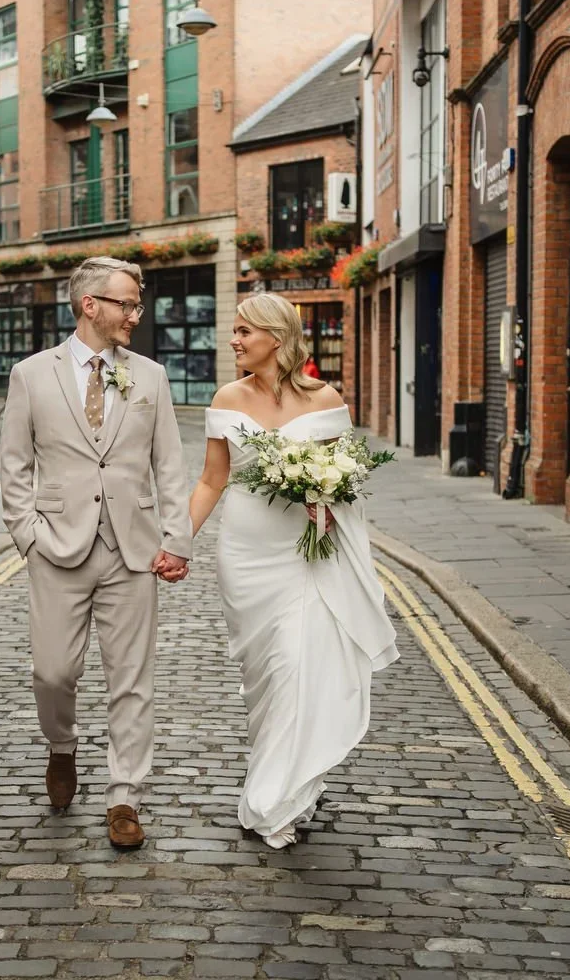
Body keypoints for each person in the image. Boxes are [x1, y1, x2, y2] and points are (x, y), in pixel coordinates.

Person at [186, 292, 398, 848]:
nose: (233, 340)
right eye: (233, 331)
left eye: (243, 332)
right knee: (266, 676)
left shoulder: (325, 399)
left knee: (298, 667)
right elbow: (212, 479)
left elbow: (345, 476)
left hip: (307, 555)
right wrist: (176, 539)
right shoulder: (227, 397)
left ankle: (275, 797)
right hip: (246, 553)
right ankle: (278, 770)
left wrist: (323, 497)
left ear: (275, 339)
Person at [0, 256, 192, 850]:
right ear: (91, 305)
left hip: (132, 550)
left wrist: (176, 539)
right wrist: (27, 535)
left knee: (132, 679)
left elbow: (169, 466)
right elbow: (15, 466)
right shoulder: (31, 375)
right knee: (51, 672)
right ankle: (62, 747)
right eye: (127, 303)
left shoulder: (151, 377)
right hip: (56, 547)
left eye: (137, 304)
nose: (137, 313)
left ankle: (124, 795)